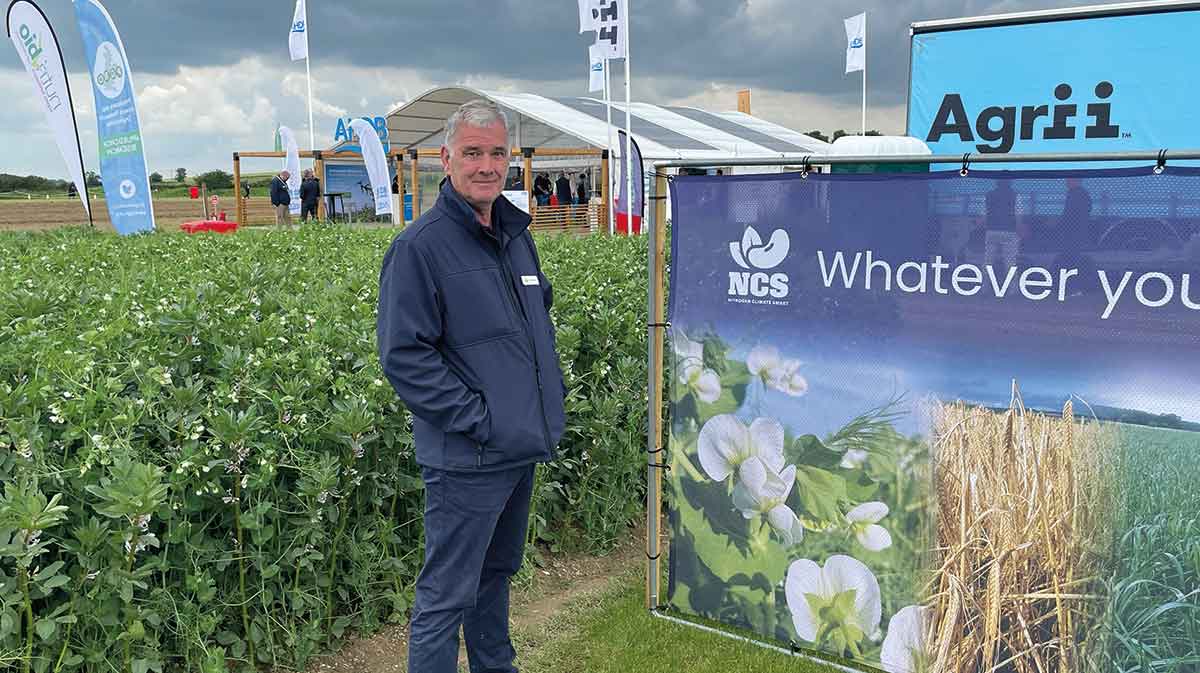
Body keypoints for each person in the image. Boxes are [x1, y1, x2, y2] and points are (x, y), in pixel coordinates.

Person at [376, 99, 566, 673]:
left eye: (496, 152)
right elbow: (404, 356)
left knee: (495, 575)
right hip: (468, 455)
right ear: (446, 159)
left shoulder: (514, 235)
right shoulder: (420, 247)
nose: (486, 165)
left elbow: (534, 317)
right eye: (472, 153)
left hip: (516, 446)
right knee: (445, 595)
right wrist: (480, 417)